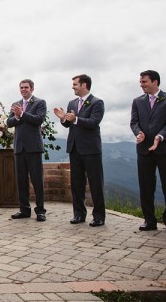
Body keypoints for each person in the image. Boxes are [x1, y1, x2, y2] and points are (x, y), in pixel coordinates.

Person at [130, 70, 166, 235]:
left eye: (144, 81)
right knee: (146, 186)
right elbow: (134, 122)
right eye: (140, 82)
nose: (141, 84)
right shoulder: (137, 101)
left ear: (155, 82)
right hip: (144, 150)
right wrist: (139, 133)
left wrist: (160, 137)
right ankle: (149, 220)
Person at [54, 74, 106, 227]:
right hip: (75, 148)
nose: (73, 87)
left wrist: (75, 119)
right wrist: (63, 118)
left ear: (84, 85)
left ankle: (99, 217)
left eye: (75, 84)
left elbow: (94, 122)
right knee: (76, 184)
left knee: (96, 183)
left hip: (91, 149)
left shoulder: (97, 102)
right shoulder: (72, 102)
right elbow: (68, 125)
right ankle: (79, 214)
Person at [6, 79, 47, 222]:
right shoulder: (15, 105)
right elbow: (9, 123)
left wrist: (22, 114)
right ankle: (24, 209)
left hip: (33, 148)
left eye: (26, 87)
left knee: (37, 181)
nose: (23, 90)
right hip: (19, 147)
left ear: (32, 89)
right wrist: (17, 116)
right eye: (21, 88)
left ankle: (40, 211)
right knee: (21, 180)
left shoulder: (40, 103)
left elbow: (39, 120)